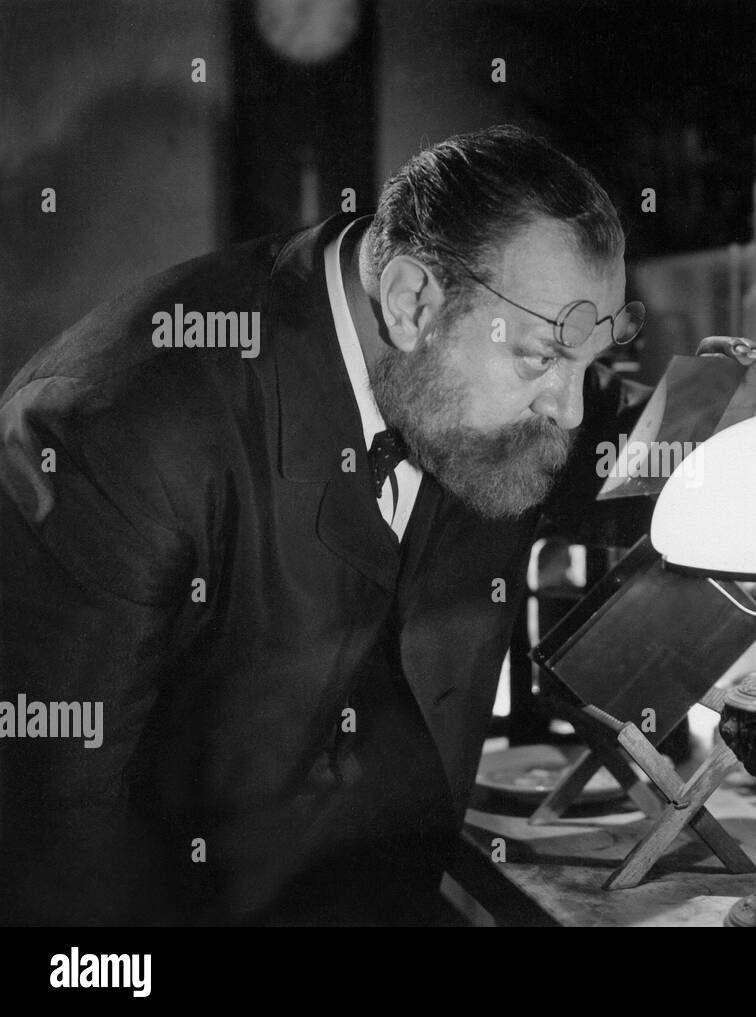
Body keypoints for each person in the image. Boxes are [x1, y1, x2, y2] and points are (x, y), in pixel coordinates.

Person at [0, 125, 704, 925]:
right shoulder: (122, 425)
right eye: (543, 360)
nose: (569, 410)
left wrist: (754, 416)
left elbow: (628, 467)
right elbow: (50, 834)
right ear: (412, 303)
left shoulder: (497, 361)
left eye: (591, 362)